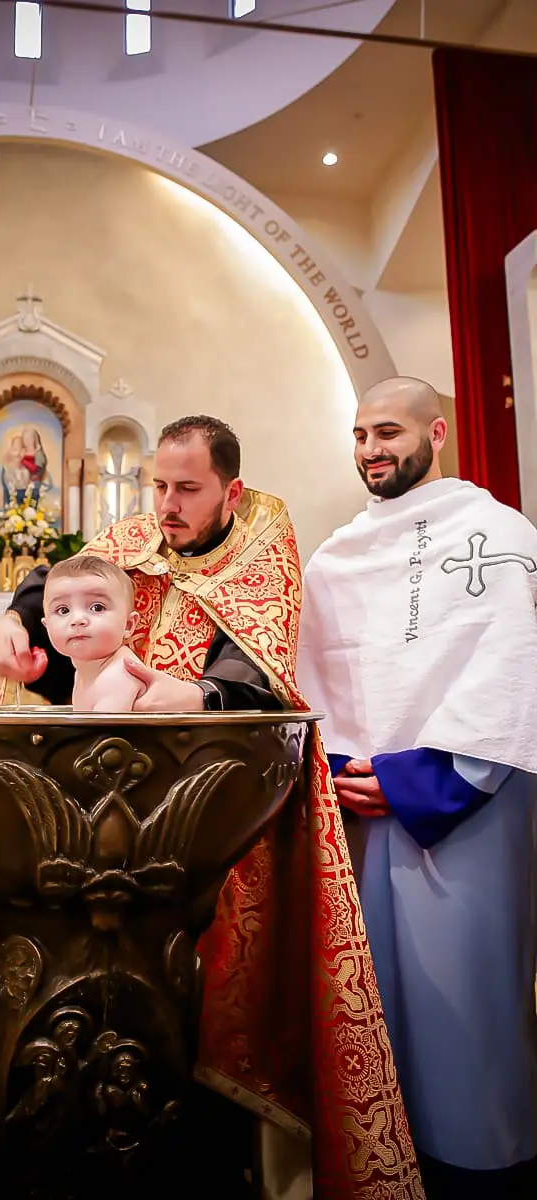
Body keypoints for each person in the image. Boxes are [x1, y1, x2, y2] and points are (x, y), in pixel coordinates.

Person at [0, 415, 423, 1198]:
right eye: (157, 484)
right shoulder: (133, 536)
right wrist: (14, 619)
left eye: (187, 489)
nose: (165, 504)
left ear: (230, 490)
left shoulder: (263, 545)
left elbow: (259, 665)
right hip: (96, 790)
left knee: (204, 1002)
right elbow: (63, 578)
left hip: (211, 808)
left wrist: (197, 695)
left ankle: (198, 1150)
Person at [296, 376, 537, 1200]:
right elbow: (317, 673)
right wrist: (341, 772)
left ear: (436, 434)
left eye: (389, 432)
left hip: (465, 808)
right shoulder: (336, 555)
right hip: (361, 813)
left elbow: (511, 667)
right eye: (361, 434)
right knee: (375, 1011)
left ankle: (480, 1171)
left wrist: (420, 781)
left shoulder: (495, 533)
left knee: (466, 1012)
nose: (371, 449)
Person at [41, 555, 145, 712]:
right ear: (46, 626)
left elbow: (101, 728)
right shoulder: (86, 671)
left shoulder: (119, 675)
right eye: (63, 610)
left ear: (128, 624)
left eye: (97, 607)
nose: (77, 619)